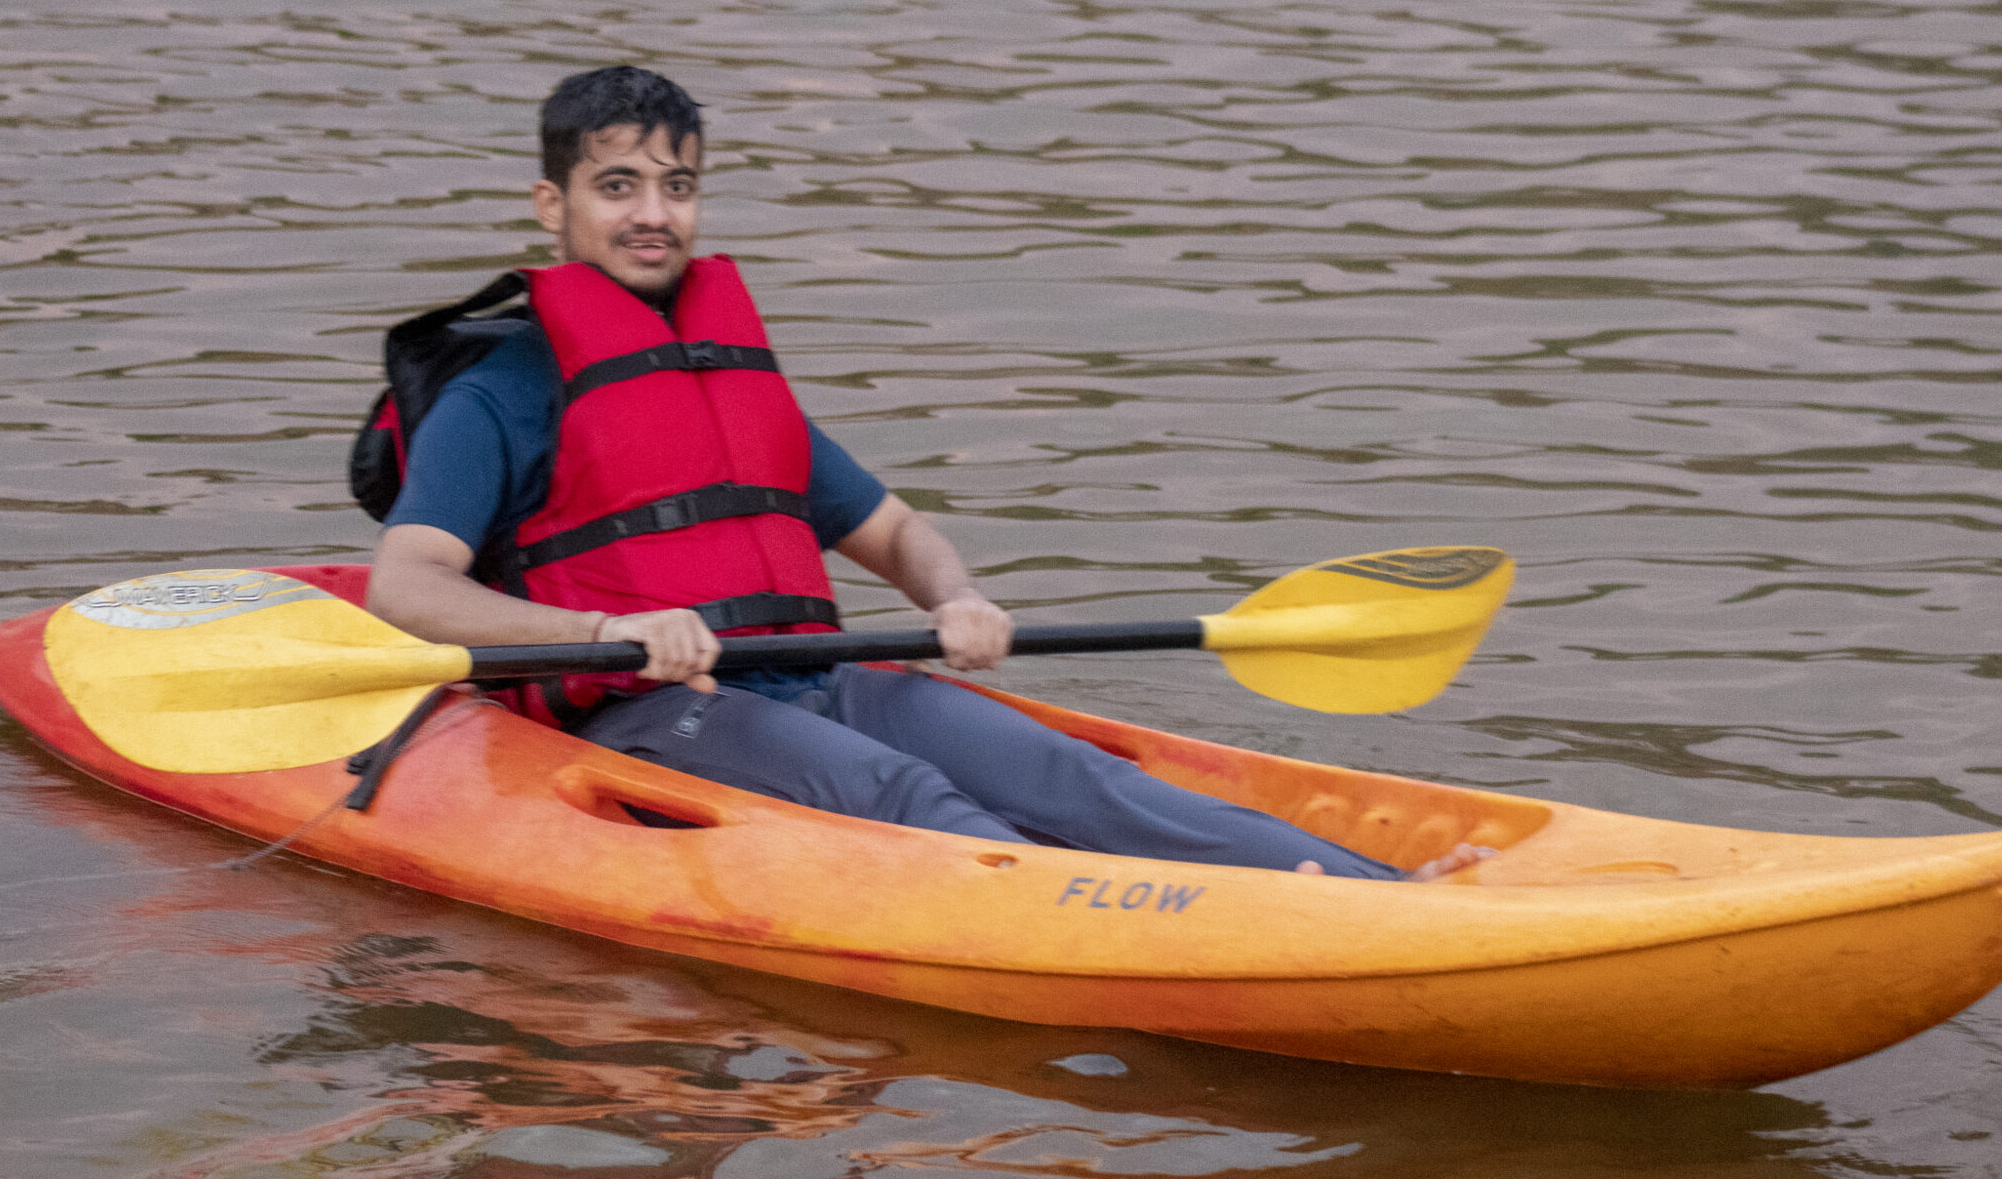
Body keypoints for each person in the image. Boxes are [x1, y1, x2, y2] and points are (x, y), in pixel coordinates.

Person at [368, 66, 1482, 882]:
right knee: (903, 799)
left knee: (1076, 779)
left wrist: (953, 599)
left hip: (815, 673)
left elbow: (896, 532)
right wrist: (611, 635)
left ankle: (1374, 899)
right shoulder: (501, 392)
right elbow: (407, 587)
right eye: (617, 186)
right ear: (552, 206)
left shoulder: (723, 376)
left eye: (678, 187)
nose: (653, 214)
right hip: (648, 712)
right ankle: (1161, 937)